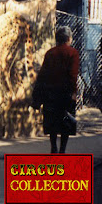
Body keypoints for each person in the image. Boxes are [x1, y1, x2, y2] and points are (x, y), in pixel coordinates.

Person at [35, 26, 79, 154]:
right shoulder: (73, 53)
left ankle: (53, 147)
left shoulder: (50, 53)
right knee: (65, 122)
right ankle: (62, 150)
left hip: (50, 93)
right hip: (65, 93)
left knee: (52, 123)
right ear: (69, 38)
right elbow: (73, 75)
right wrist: (74, 92)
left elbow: (43, 74)